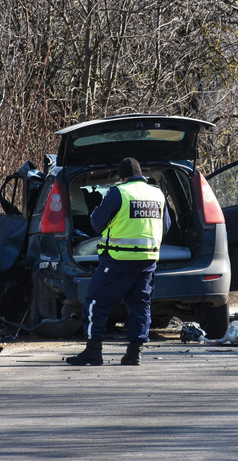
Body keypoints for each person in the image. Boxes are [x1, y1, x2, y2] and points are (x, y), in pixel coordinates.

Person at [66, 157, 170, 366]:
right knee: (140, 307)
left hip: (118, 260)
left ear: (122, 177)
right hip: (147, 260)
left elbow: (97, 223)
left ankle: (93, 351)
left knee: (96, 303)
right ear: (141, 174)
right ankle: (134, 354)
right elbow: (166, 225)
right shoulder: (157, 193)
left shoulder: (118, 192)